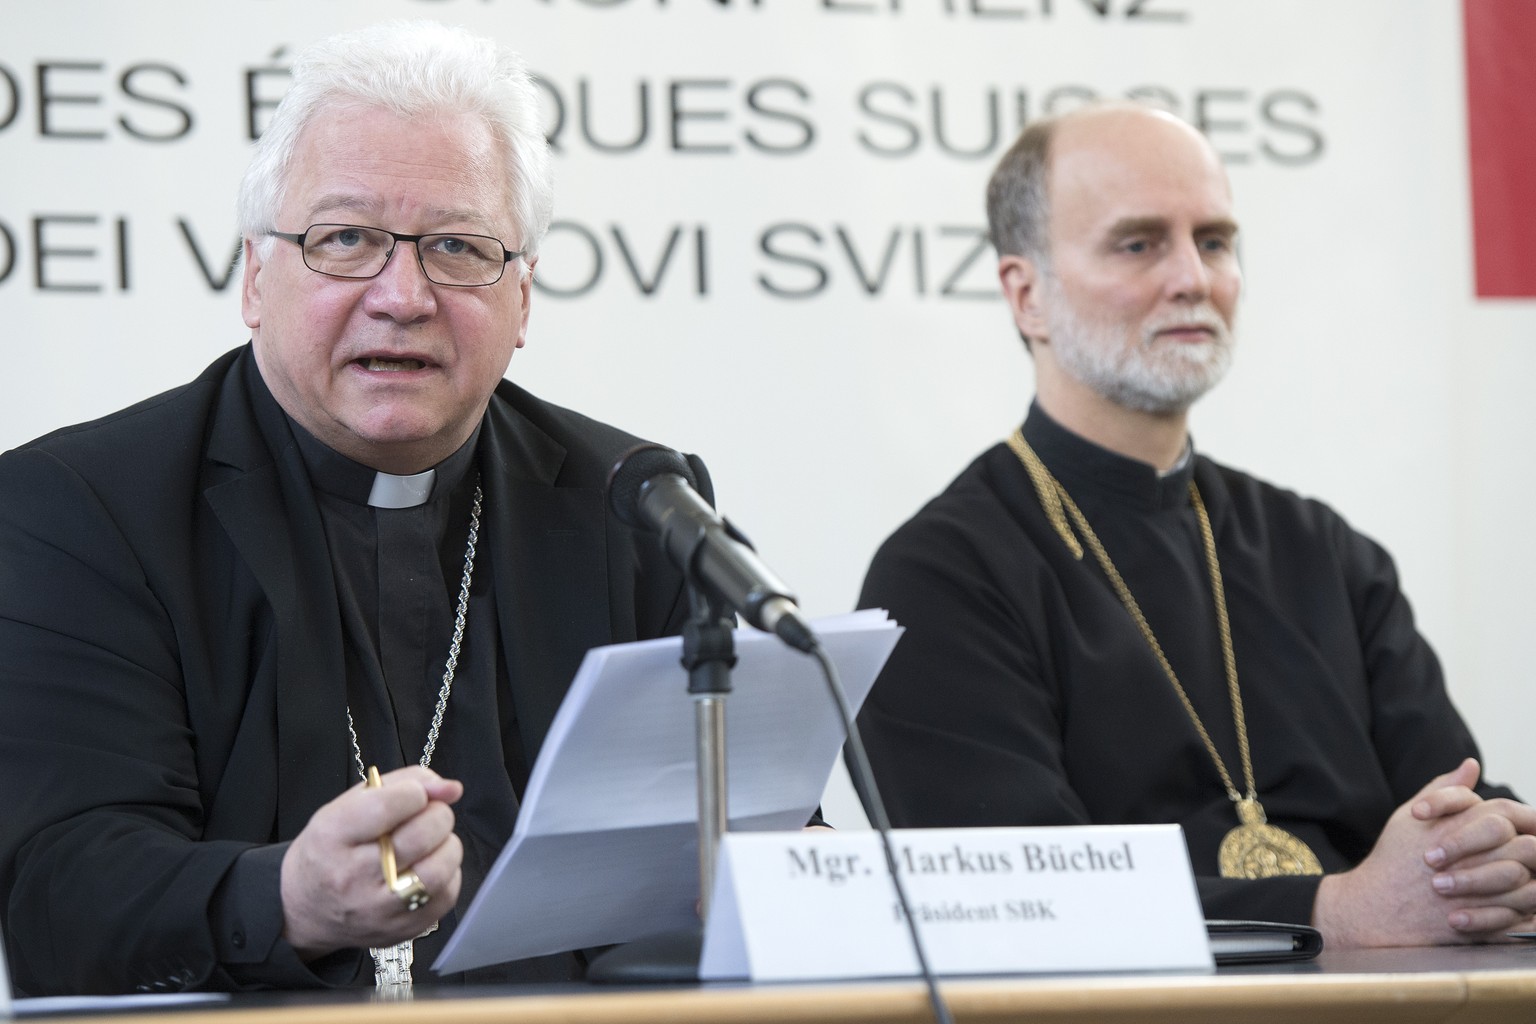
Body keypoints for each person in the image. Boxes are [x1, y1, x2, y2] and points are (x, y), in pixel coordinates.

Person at [0, 22, 707, 994]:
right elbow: (57, 890)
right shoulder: (78, 511)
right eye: (346, 240)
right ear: (256, 277)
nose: (404, 294)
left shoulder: (638, 503)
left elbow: (712, 844)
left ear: (524, 299)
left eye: (458, 247)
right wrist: (288, 896)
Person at [854, 102, 1536, 948]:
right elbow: (1015, 904)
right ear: (1027, 295)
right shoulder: (939, 576)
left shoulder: (1324, 551)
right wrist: (1331, 913)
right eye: (1138, 244)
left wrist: (1493, 853)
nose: (1193, 278)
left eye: (1214, 242)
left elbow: (1461, 810)